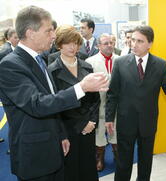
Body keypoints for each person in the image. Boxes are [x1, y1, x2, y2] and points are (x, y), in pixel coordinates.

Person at [0, 6, 108, 181]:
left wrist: (61, 135)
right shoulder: (11, 65)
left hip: (53, 148)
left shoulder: (38, 60)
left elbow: (52, 101)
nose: (53, 35)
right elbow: (38, 104)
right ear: (30, 32)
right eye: (49, 30)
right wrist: (81, 87)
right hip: (36, 156)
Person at [105, 25, 166, 181]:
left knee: (145, 162)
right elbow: (113, 93)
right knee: (124, 162)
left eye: (140, 41)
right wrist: (109, 118)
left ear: (150, 44)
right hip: (125, 121)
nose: (134, 44)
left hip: (148, 122)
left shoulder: (160, 64)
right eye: (132, 40)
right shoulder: (120, 63)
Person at [48, 25, 99, 181]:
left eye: (75, 43)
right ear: (59, 44)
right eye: (67, 43)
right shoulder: (52, 71)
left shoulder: (87, 67)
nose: (72, 47)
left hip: (88, 128)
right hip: (67, 129)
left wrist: (92, 121)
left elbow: (95, 99)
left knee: (88, 167)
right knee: (70, 170)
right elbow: (55, 102)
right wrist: (82, 123)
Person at [86, 33, 118, 172]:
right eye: (106, 43)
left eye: (111, 42)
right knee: (99, 130)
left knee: (116, 128)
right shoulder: (90, 62)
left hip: (116, 102)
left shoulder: (121, 60)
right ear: (98, 45)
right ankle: (100, 157)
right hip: (98, 101)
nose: (109, 45)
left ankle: (118, 154)